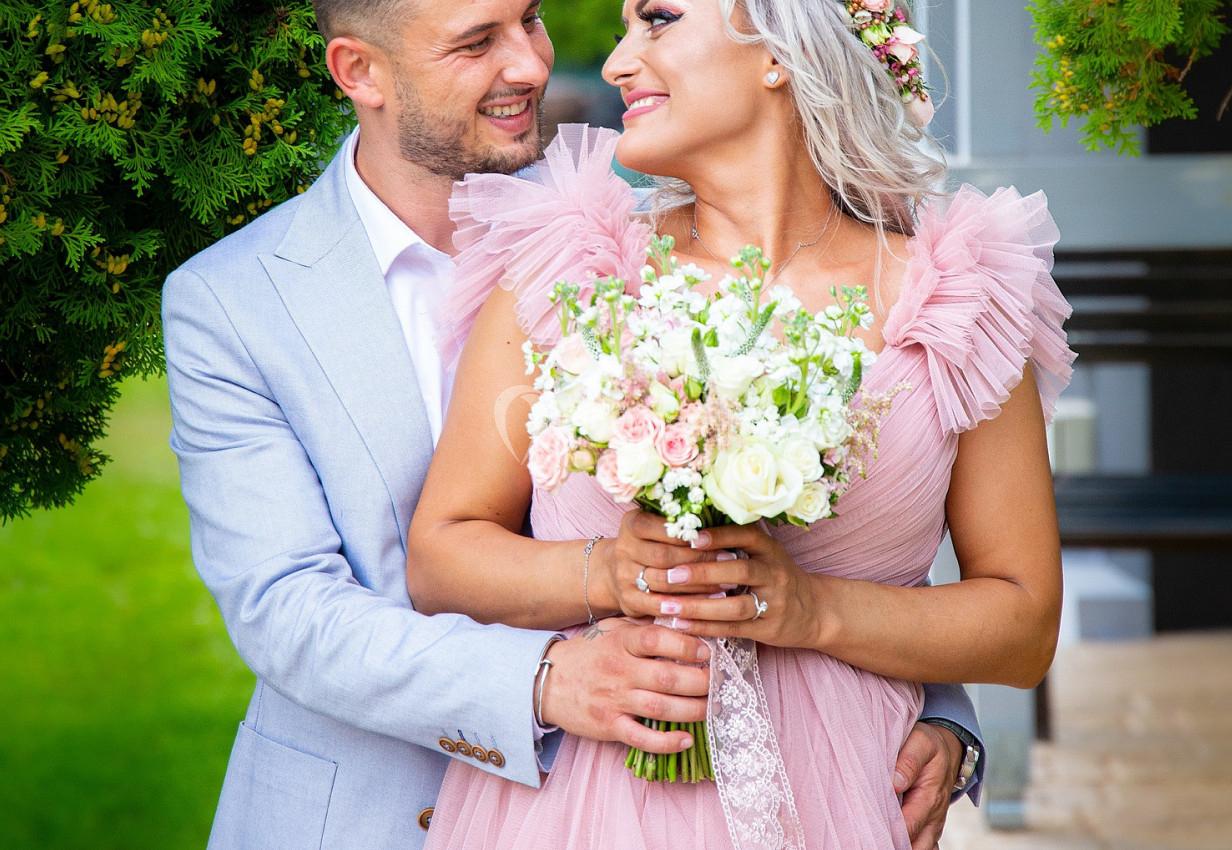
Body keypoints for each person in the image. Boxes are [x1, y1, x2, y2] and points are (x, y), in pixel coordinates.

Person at [162, 0, 985, 847]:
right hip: (366, 818)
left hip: (740, 792)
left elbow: (850, 529)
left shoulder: (625, 241)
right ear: (359, 71)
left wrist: (934, 712)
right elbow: (286, 609)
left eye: (530, 19)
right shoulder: (234, 302)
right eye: (476, 44)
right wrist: (544, 680)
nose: (531, 65)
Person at [407, 1, 1071, 849]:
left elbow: (1024, 628)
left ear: (778, 51)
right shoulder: (567, 268)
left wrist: (815, 610)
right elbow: (440, 558)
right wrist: (612, 571)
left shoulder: (957, 297)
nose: (616, 62)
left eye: (657, 19)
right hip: (582, 804)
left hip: (837, 794)